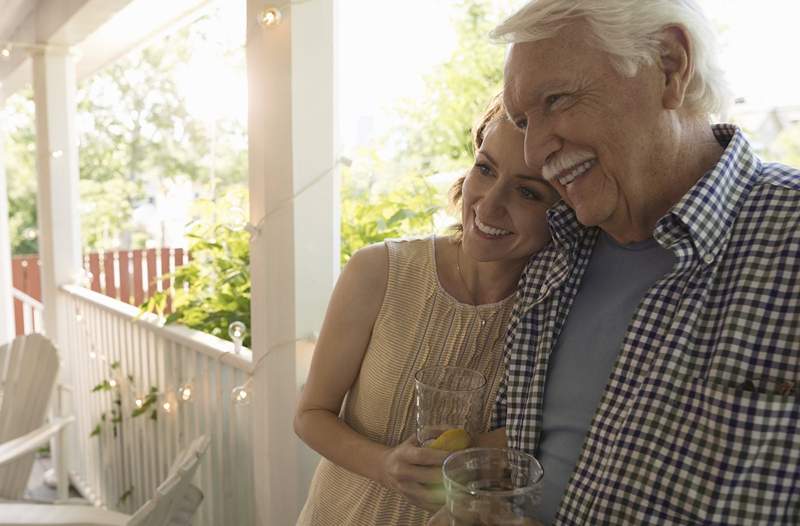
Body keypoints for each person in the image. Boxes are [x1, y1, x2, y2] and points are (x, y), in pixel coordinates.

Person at [476, 1, 800, 525]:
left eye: (556, 99)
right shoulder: (550, 257)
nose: (535, 151)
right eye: (522, 121)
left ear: (670, 66)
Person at [293, 93, 559, 525]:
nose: (489, 204)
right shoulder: (379, 271)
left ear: (563, 214)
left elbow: (541, 440)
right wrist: (384, 464)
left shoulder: (553, 318)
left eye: (528, 192)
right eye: (485, 169)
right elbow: (310, 415)